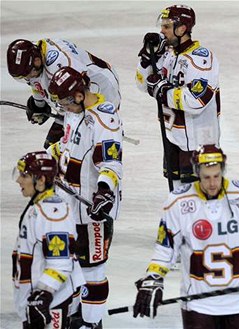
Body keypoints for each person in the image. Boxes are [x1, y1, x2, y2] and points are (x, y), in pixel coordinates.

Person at [132, 144, 239, 329]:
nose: (212, 184)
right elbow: (165, 250)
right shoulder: (178, 202)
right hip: (198, 305)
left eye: (216, 176)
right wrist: (153, 278)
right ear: (197, 172)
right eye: (206, 177)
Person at [47, 66, 123, 328]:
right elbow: (67, 145)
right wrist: (50, 156)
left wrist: (104, 192)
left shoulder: (105, 120)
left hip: (93, 211)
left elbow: (111, 164)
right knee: (66, 265)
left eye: (66, 101)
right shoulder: (72, 111)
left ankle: (91, 323)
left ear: (80, 95)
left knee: (93, 271)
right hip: (67, 205)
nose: (64, 107)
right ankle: (75, 314)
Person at [136, 4, 220, 188]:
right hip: (173, 136)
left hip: (198, 142)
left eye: (167, 26)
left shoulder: (201, 59)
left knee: (199, 201)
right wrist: (146, 59)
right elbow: (142, 85)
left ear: (182, 29)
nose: (162, 31)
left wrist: (163, 90)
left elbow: (196, 100)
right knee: (179, 199)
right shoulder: (169, 55)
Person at [12, 151, 85, 329]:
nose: (19, 181)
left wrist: (43, 296)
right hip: (37, 304)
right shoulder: (38, 207)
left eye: (25, 176)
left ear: (41, 180)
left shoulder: (53, 214)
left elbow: (61, 263)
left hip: (50, 306)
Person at [6, 38, 120, 149]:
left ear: (36, 61)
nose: (28, 78)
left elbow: (81, 91)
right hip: (73, 99)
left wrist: (87, 121)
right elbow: (36, 82)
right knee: (56, 148)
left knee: (85, 148)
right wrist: (38, 104)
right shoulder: (33, 56)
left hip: (100, 88)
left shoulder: (61, 63)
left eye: (28, 74)